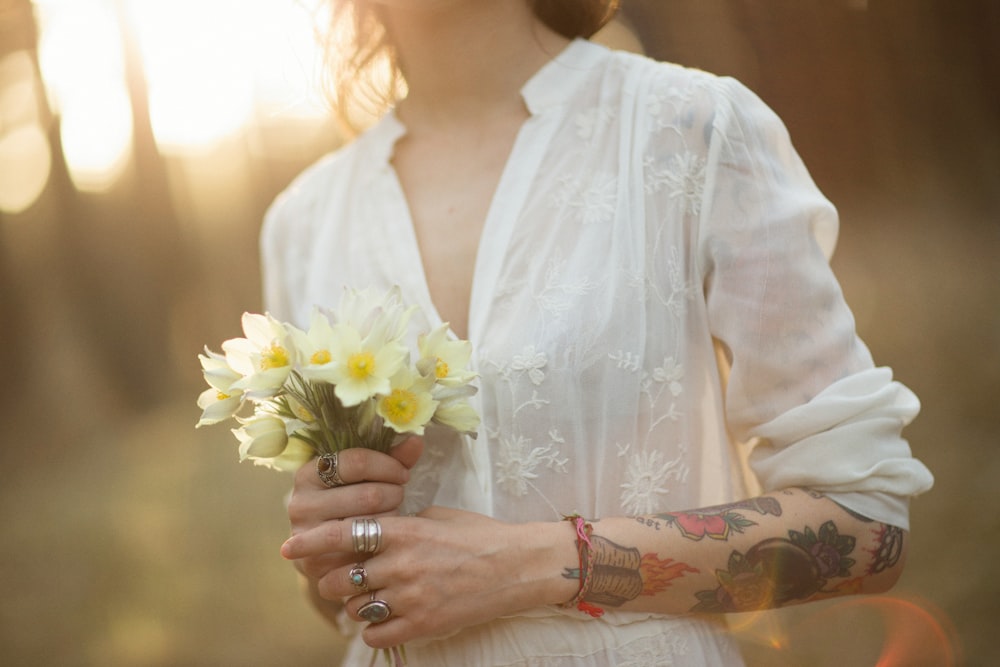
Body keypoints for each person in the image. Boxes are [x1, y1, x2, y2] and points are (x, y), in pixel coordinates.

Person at [264, 1, 934, 664]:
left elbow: (866, 524)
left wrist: (528, 566)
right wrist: (328, 554)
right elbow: (338, 600)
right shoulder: (303, 223)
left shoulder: (694, 130)